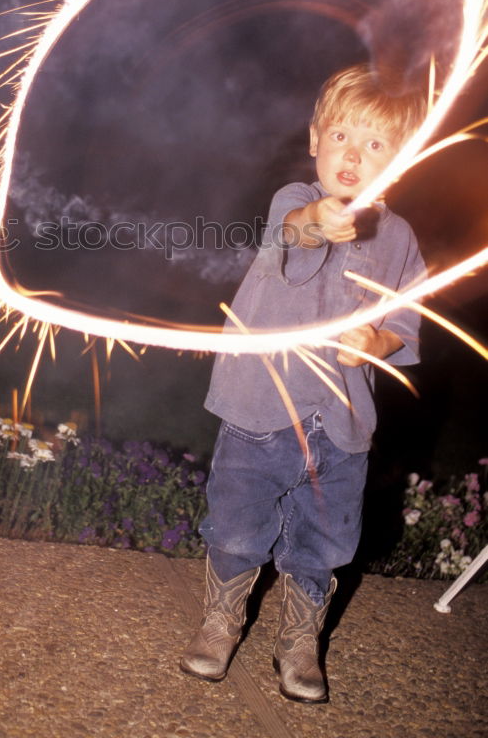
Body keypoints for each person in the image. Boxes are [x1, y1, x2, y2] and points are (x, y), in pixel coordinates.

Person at [180, 65, 427, 703]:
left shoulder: (399, 238)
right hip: (259, 407)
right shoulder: (293, 201)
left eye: (376, 145)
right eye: (342, 134)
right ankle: (221, 620)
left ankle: (300, 639)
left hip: (341, 423)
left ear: (401, 159)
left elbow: (405, 317)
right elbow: (293, 233)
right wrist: (321, 216)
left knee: (323, 540)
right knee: (237, 524)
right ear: (316, 138)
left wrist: (377, 342)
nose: (353, 154)